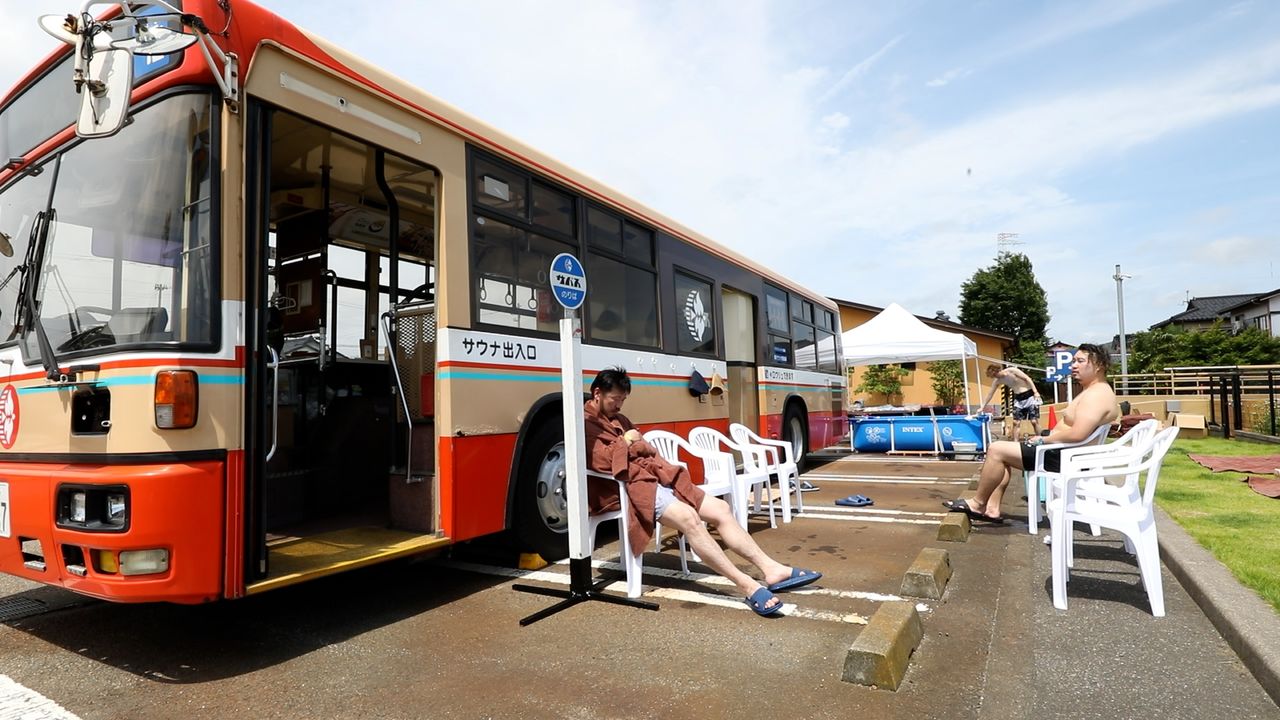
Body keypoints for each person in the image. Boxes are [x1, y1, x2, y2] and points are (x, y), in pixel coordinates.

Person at [583, 367, 821, 616]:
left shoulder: (619, 421)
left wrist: (630, 443)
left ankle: (771, 568)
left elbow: (646, 449)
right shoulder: (586, 423)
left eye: (623, 400)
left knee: (721, 509)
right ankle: (747, 585)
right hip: (629, 488)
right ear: (597, 393)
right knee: (689, 519)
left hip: (653, 478)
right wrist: (629, 442)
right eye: (615, 399)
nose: (619, 405)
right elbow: (603, 461)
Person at [945, 344, 1119, 523]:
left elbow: (1078, 434)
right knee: (1001, 453)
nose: (1073, 365)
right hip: (1063, 452)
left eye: (1080, 361)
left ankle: (978, 503)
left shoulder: (1096, 395)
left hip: (1063, 456)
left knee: (996, 449)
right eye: (1074, 361)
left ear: (1099, 366)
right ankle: (992, 508)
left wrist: (1044, 439)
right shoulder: (1094, 391)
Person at [978, 364, 1042, 441]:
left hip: (1030, 395)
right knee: (1016, 422)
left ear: (997, 371)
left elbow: (1027, 378)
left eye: (995, 375)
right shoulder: (997, 381)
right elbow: (990, 394)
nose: (996, 377)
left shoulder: (1012, 371)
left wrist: (1035, 392)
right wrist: (982, 407)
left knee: (1034, 421)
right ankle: (1015, 442)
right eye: (994, 376)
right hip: (1018, 398)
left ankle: (1040, 438)